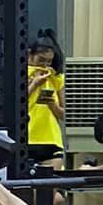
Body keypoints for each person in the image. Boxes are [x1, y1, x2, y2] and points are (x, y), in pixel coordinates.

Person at [25, 31, 65, 164]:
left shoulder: (55, 77)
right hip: (26, 137)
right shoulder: (20, 73)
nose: (44, 65)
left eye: (48, 61)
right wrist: (34, 84)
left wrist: (52, 104)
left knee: (52, 181)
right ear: (29, 54)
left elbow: (64, 115)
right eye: (41, 60)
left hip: (50, 138)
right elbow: (14, 106)